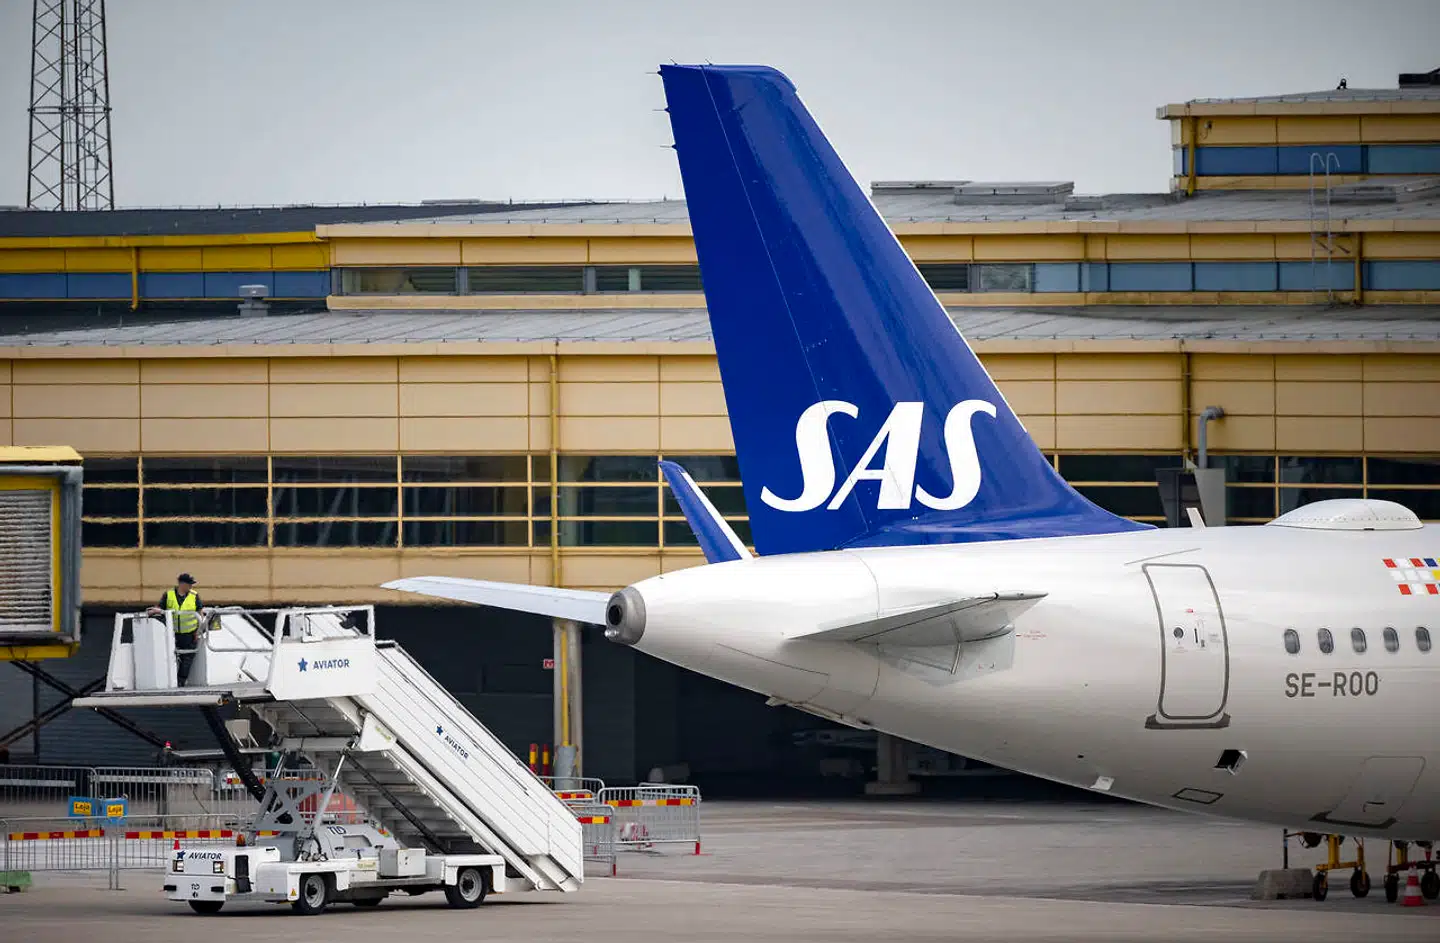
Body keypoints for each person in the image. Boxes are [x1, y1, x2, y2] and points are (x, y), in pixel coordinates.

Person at [147, 573, 203, 685]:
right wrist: (154, 611)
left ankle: (181, 681)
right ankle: (170, 681)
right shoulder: (168, 595)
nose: (191, 586)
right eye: (189, 584)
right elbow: (160, 608)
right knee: (170, 656)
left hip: (189, 633)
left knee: (187, 658)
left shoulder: (194, 596)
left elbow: (200, 613)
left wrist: (198, 631)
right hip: (172, 633)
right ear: (182, 584)